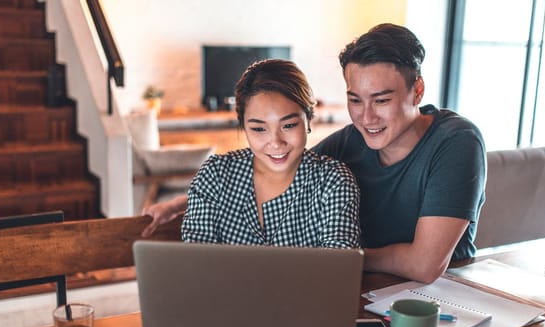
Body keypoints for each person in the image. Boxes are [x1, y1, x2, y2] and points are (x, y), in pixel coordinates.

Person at [142, 24, 486, 283]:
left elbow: (425, 265)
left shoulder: (456, 142)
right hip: (366, 290)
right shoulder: (352, 140)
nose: (366, 117)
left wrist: (342, 259)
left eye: (381, 100)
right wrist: (179, 203)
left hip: (442, 297)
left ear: (417, 90)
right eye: (355, 99)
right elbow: (276, 162)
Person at [179, 59, 360, 248]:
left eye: (288, 125)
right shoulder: (214, 174)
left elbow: (340, 265)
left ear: (309, 119)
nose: (275, 143)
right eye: (259, 129)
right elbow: (197, 260)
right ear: (244, 127)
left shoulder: (333, 181)